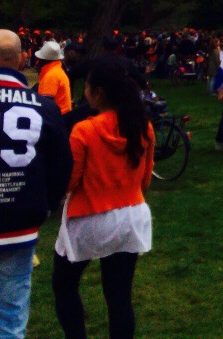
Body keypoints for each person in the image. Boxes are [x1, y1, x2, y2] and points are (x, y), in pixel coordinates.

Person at [0, 30, 72, 339]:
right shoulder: (44, 107)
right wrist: (46, 204)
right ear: (21, 60)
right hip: (17, 225)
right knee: (8, 324)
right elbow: (62, 165)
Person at [52, 56, 154, 339]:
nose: (84, 92)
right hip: (131, 216)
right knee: (119, 295)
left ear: (97, 92)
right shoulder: (142, 125)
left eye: (86, 86)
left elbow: (70, 180)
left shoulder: (85, 129)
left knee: (64, 284)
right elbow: (145, 177)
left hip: (90, 216)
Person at [36, 39, 73, 115]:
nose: (38, 61)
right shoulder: (57, 71)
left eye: (39, 59)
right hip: (63, 116)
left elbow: (45, 106)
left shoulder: (51, 76)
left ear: (44, 60)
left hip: (57, 117)